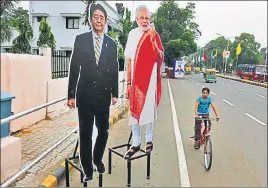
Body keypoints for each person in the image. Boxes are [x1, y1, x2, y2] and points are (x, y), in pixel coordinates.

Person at [67, 3, 118, 182]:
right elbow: (74, 68)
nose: (98, 20)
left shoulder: (112, 44)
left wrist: (115, 93)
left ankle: (97, 158)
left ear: (105, 21)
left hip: (104, 96)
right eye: (95, 17)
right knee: (85, 133)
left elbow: (114, 69)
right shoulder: (81, 40)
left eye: (101, 17)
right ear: (90, 20)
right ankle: (87, 168)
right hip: (85, 95)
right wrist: (71, 95)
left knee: (103, 131)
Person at [123, 5, 164, 159]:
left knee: (149, 110)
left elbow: (160, 57)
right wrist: (128, 83)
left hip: (151, 79)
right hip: (136, 81)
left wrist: (153, 39)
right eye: (142, 18)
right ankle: (135, 142)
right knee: (135, 112)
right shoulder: (132, 35)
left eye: (147, 18)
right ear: (136, 19)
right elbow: (129, 60)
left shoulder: (155, 35)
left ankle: (149, 140)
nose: (145, 21)